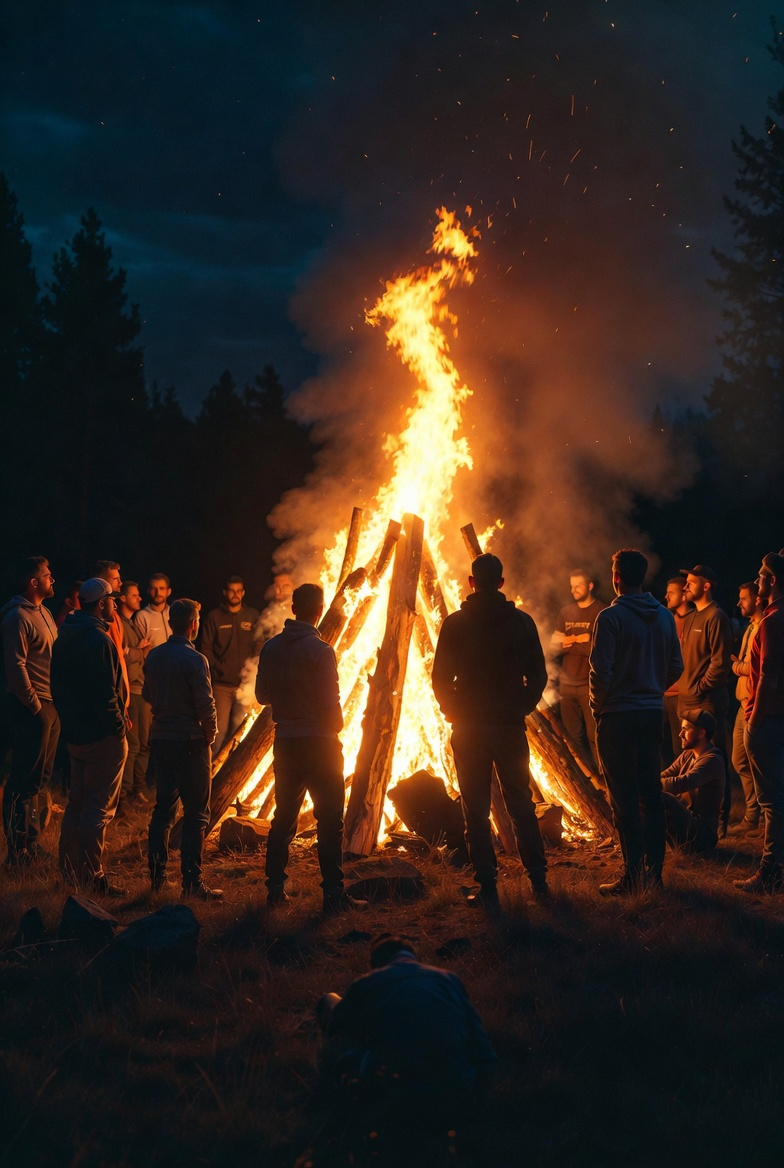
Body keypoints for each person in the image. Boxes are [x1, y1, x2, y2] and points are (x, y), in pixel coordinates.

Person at [432, 552, 549, 907]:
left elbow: (439, 678)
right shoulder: (521, 622)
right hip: (508, 727)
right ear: (501, 582)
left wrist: (453, 710)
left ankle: (487, 886)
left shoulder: (455, 624)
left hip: (469, 729)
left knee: (476, 808)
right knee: (521, 804)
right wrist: (521, 707)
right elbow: (539, 675)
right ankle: (539, 881)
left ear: (471, 583)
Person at [318, 933, 497, 1161]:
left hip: (396, 1098)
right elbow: (484, 1052)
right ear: (414, 958)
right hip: (457, 1093)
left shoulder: (367, 983)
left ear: (376, 964)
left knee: (330, 1003)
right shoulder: (449, 979)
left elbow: (338, 1026)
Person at [256, 582, 361, 912]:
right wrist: (336, 726)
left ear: (293, 608)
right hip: (319, 744)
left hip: (286, 743)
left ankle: (274, 890)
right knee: (330, 821)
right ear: (319, 610)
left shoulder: (271, 648)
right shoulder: (321, 651)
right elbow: (332, 702)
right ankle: (333, 893)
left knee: (283, 818)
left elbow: (261, 696)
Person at [589, 548, 683, 895]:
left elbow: (600, 671)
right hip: (650, 715)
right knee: (651, 795)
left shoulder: (610, 618)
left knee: (624, 800)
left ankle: (632, 877)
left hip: (618, 718)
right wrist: (653, 689)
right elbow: (677, 666)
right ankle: (654, 875)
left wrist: (601, 706)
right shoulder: (663, 616)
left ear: (616, 577)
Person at [51, 578, 128, 895]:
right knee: (97, 809)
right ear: (101, 603)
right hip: (101, 738)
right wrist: (119, 727)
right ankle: (93, 878)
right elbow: (105, 695)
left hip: (75, 735)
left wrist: (68, 723)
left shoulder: (65, 637)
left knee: (77, 803)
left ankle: (68, 872)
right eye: (113, 600)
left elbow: (57, 687)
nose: (117, 605)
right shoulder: (98, 641)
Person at [144, 598, 223, 900]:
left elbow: (148, 693)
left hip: (162, 739)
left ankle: (157, 878)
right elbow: (205, 703)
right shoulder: (194, 660)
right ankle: (192, 882)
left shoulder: (154, 656)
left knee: (163, 810)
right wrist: (210, 733)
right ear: (193, 624)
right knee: (196, 814)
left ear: (170, 624)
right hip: (189, 741)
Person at [1, 556, 60, 867]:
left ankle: (32, 842)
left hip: (50, 704)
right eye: (47, 575)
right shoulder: (17, 619)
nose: (53, 579)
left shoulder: (45, 613)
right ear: (33, 582)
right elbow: (16, 666)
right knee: (23, 780)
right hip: (30, 708)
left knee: (40, 780)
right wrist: (36, 707)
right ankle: (16, 851)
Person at [735, 552, 784, 895]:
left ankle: (769, 872)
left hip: (768, 720)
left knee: (772, 802)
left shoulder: (772, 620)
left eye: (762, 574)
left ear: (773, 581)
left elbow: (767, 676)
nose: (758, 577)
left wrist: (754, 719)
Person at [550, 569, 606, 770]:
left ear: (590, 586)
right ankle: (588, 779)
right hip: (566, 686)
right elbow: (554, 646)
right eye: (571, 586)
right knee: (573, 738)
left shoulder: (601, 612)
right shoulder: (565, 612)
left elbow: (599, 649)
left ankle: (604, 779)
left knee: (595, 737)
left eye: (578, 585)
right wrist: (580, 639)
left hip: (589, 685)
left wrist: (569, 642)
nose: (574, 590)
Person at [200, 576, 260, 752]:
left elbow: (259, 644)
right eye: (231, 590)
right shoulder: (214, 617)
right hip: (222, 687)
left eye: (238, 591)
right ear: (225, 592)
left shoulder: (252, 616)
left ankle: (231, 773)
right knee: (218, 734)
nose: (235, 594)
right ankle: (212, 774)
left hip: (245, 686)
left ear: (243, 593)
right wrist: (219, 669)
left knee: (238, 733)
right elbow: (206, 648)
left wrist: (252, 668)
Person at [661, 710, 724, 854]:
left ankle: (647, 853)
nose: (680, 734)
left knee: (663, 798)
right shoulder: (688, 755)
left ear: (701, 733)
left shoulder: (712, 760)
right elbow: (667, 774)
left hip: (702, 837)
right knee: (650, 796)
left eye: (685, 729)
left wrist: (648, 785)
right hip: (687, 827)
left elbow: (682, 783)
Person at [729, 580, 764, 834]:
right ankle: (754, 815)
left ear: (757, 599)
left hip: (755, 704)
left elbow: (755, 669)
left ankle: (759, 819)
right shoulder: (751, 627)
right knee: (740, 760)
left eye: (744, 598)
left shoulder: (764, 627)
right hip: (743, 703)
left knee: (757, 762)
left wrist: (737, 667)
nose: (739, 602)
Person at [134, 573, 172, 789]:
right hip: (151, 685)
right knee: (147, 738)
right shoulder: (143, 617)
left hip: (173, 687)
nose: (158, 593)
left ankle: (165, 783)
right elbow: (141, 652)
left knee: (170, 736)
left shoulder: (173, 614)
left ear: (168, 591)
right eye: (153, 588)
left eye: (162, 588)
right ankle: (141, 785)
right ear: (149, 591)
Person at [116, 579, 151, 814]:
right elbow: (124, 656)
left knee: (143, 743)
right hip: (131, 690)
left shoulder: (132, 623)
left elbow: (133, 652)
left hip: (143, 687)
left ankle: (138, 789)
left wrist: (137, 650)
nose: (139, 598)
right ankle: (124, 797)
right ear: (122, 598)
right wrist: (141, 650)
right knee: (133, 744)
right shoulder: (119, 623)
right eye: (135, 595)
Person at [662, 575, 695, 763]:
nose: (666, 597)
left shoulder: (694, 620)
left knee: (680, 746)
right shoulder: (667, 620)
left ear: (684, 595)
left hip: (681, 694)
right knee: (657, 742)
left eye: (671, 593)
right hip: (662, 691)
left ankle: (685, 790)